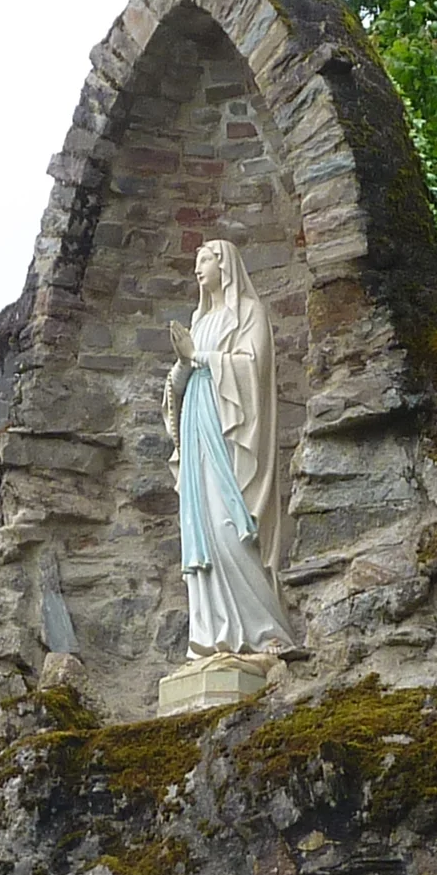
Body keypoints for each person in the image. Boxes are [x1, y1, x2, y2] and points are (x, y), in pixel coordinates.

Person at [163, 240, 297, 657]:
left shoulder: (248, 314)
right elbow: (177, 385)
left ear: (226, 265)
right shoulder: (199, 321)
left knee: (228, 524)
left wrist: (200, 358)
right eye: (196, 261)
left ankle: (262, 629)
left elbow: (251, 366)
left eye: (204, 259)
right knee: (200, 524)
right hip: (197, 427)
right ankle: (210, 635)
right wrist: (184, 365)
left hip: (230, 432)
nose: (197, 269)